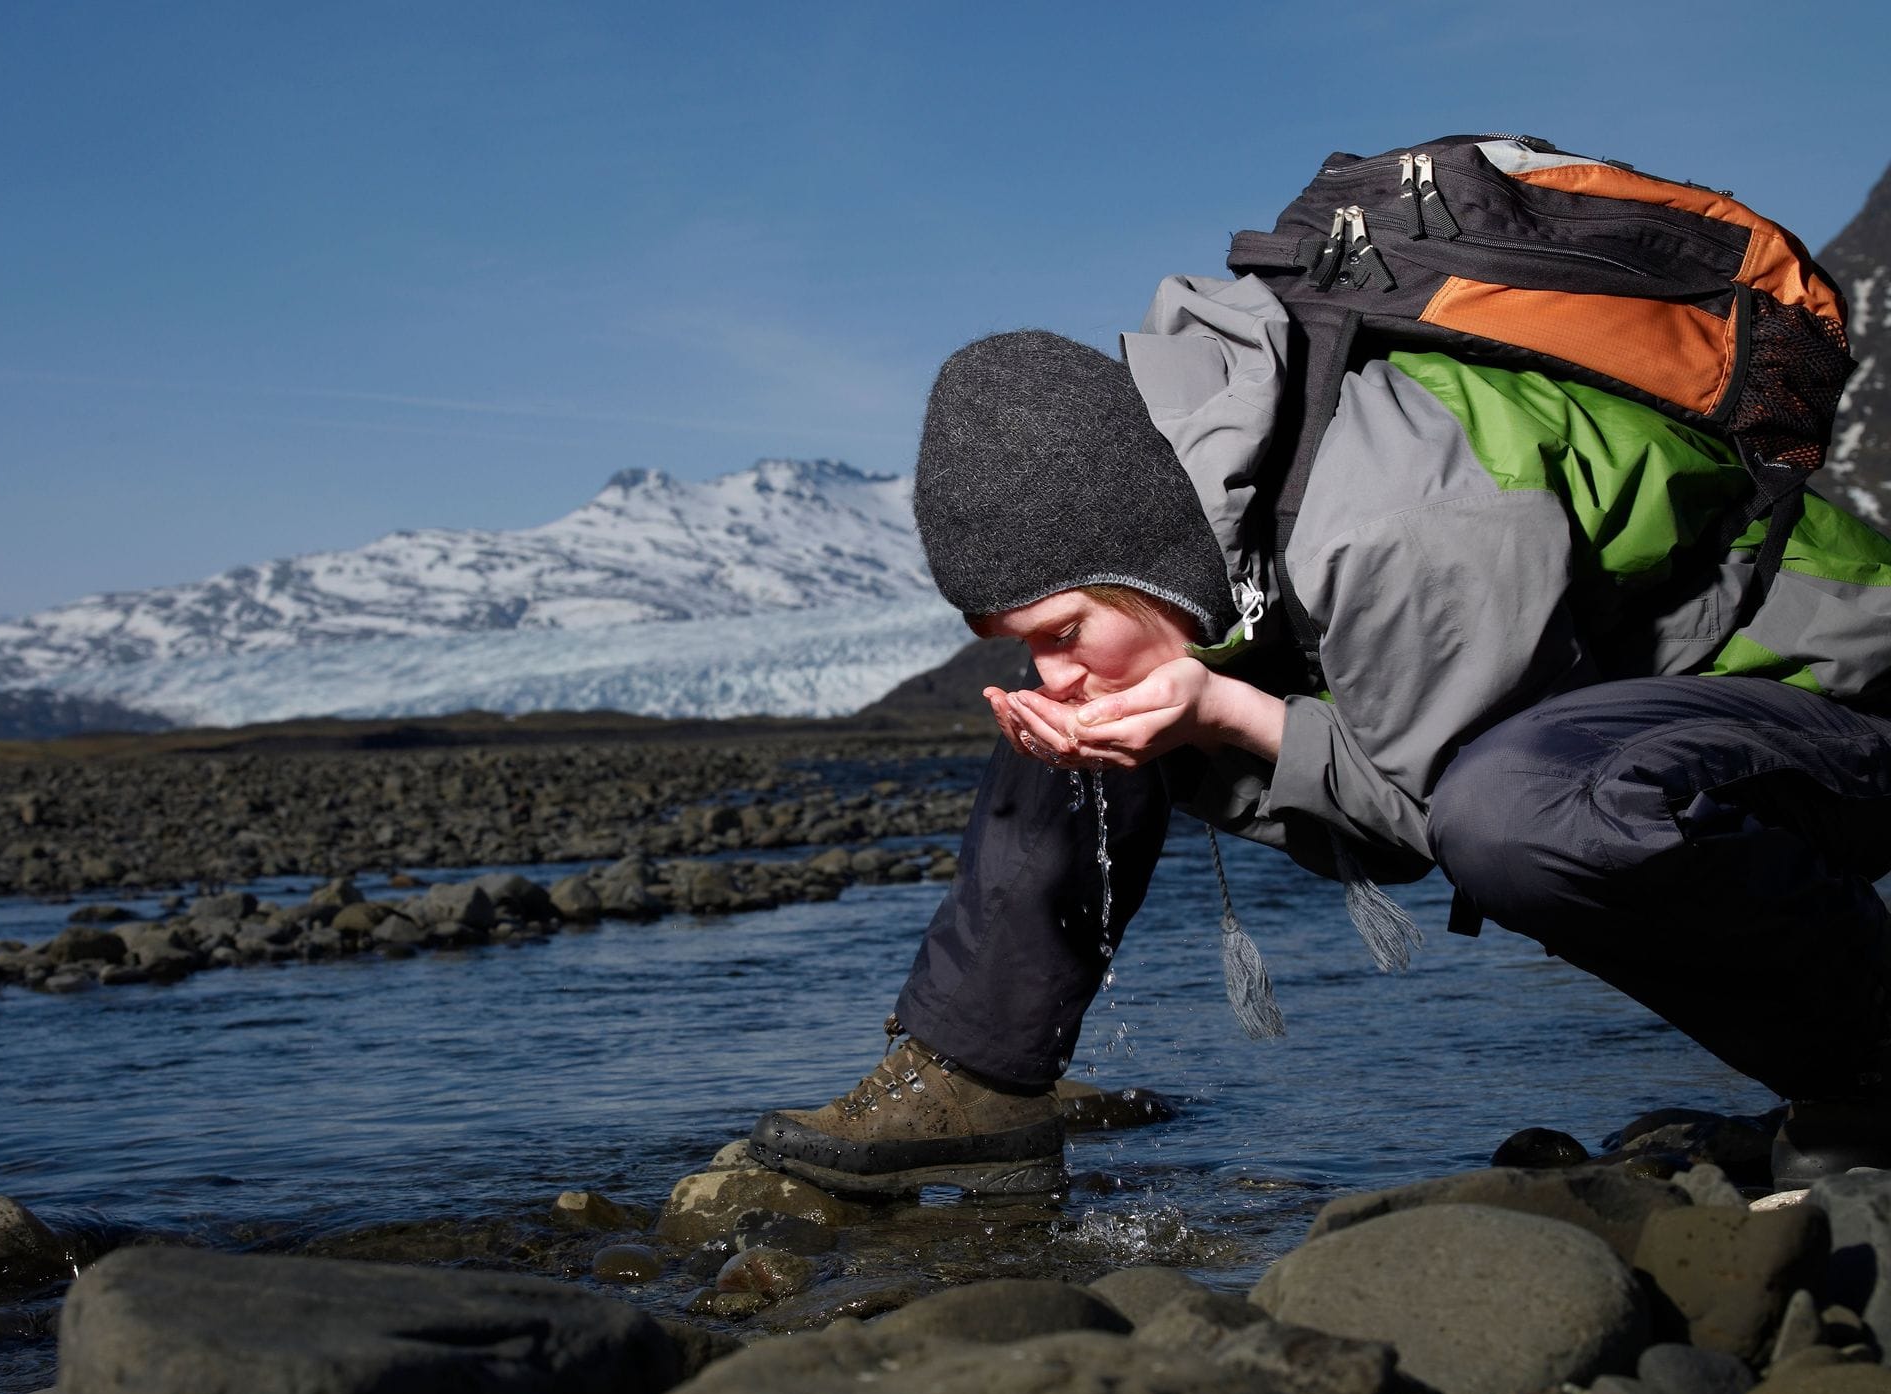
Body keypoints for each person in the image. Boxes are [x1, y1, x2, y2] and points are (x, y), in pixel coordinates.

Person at [747, 274, 1891, 1196]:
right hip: (1615, 724)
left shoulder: (1394, 520)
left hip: (1832, 703)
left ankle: (1864, 1072)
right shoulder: (1192, 501)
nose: (1043, 661)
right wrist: (1142, 700)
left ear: (1132, 546)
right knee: (1088, 706)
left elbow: (1440, 817)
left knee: (1520, 816)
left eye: (1056, 622)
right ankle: (975, 1078)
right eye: (1011, 638)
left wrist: (1226, 712)